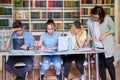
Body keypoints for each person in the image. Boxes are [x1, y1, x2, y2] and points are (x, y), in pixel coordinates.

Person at [86, 6, 116, 80]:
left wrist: (104, 34)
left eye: (96, 17)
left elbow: (113, 29)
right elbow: (89, 33)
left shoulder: (107, 19)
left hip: (107, 46)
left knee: (109, 64)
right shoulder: (89, 21)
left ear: (101, 16)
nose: (94, 18)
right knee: (100, 65)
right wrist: (88, 39)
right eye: (93, 16)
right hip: (97, 47)